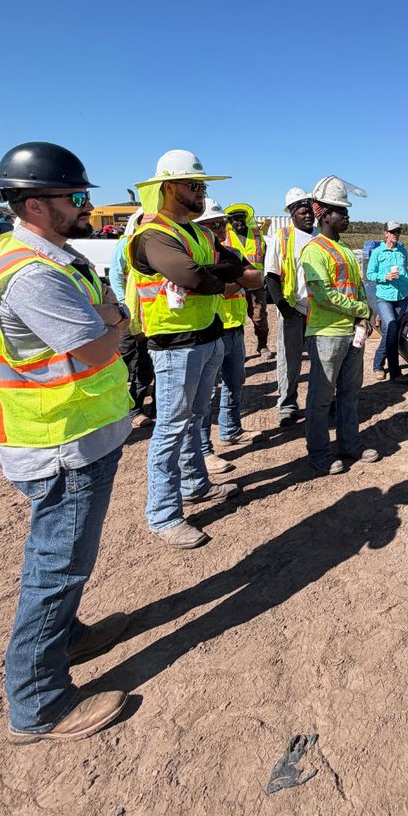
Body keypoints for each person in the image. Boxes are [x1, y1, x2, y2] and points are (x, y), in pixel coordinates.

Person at [0, 142, 133, 743]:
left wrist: (107, 317)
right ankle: (38, 703)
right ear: (37, 204)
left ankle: (67, 637)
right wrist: (114, 323)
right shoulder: (33, 275)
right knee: (57, 566)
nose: (84, 204)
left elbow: (101, 321)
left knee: (64, 562)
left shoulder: (57, 259)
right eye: (76, 196)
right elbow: (96, 346)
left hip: (78, 435)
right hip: (59, 446)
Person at [129, 150, 262, 550]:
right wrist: (222, 278)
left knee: (195, 418)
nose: (201, 192)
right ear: (168, 188)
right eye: (194, 185)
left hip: (208, 336)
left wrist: (216, 276)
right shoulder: (153, 233)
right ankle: (164, 514)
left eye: (202, 185)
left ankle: (195, 484)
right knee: (171, 426)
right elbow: (189, 275)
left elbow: (249, 275)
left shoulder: (201, 234)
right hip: (174, 346)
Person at [300, 176, 380, 474]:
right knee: (321, 399)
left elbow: (356, 286)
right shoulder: (314, 250)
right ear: (324, 213)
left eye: (346, 211)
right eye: (341, 211)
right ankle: (319, 453)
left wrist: (364, 315)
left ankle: (349, 443)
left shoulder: (345, 248)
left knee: (350, 393)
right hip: (327, 335)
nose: (347, 216)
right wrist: (361, 308)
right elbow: (322, 294)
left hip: (351, 333)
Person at [195, 200, 261, 472]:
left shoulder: (231, 252)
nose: (220, 229)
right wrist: (236, 281)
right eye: (213, 225)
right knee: (206, 395)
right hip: (210, 331)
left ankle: (231, 429)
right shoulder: (197, 259)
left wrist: (229, 282)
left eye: (220, 224)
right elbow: (217, 290)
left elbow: (255, 279)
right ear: (199, 228)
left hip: (234, 327)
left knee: (236, 382)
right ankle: (203, 451)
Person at [264, 187, 315, 426]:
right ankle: (287, 405)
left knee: (321, 360)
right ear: (292, 213)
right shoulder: (281, 237)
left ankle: (321, 402)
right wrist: (284, 307)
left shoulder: (320, 237)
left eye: (310, 211)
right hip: (293, 310)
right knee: (289, 360)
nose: (309, 216)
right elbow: (271, 276)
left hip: (319, 311)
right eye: (303, 211)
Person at [109, 209, 155, 421]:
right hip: (130, 315)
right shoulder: (126, 244)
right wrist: (123, 305)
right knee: (127, 360)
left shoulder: (158, 245)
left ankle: (140, 408)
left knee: (146, 363)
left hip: (150, 315)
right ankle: (128, 408)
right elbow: (116, 275)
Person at [366, 220, 408, 382]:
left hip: (401, 297)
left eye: (398, 231)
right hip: (384, 298)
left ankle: (379, 365)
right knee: (392, 327)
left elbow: (405, 271)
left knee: (391, 333)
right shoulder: (378, 252)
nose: (395, 234)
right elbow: (370, 275)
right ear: (385, 233)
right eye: (392, 231)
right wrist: (385, 277)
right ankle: (392, 371)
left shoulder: (402, 250)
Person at [224, 203, 269, 359]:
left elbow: (266, 256)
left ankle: (262, 346)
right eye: (235, 219)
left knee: (259, 317)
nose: (239, 222)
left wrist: (265, 278)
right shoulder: (225, 236)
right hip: (236, 285)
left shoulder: (257, 234)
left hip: (256, 284)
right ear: (229, 221)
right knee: (237, 318)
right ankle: (239, 351)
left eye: (241, 218)